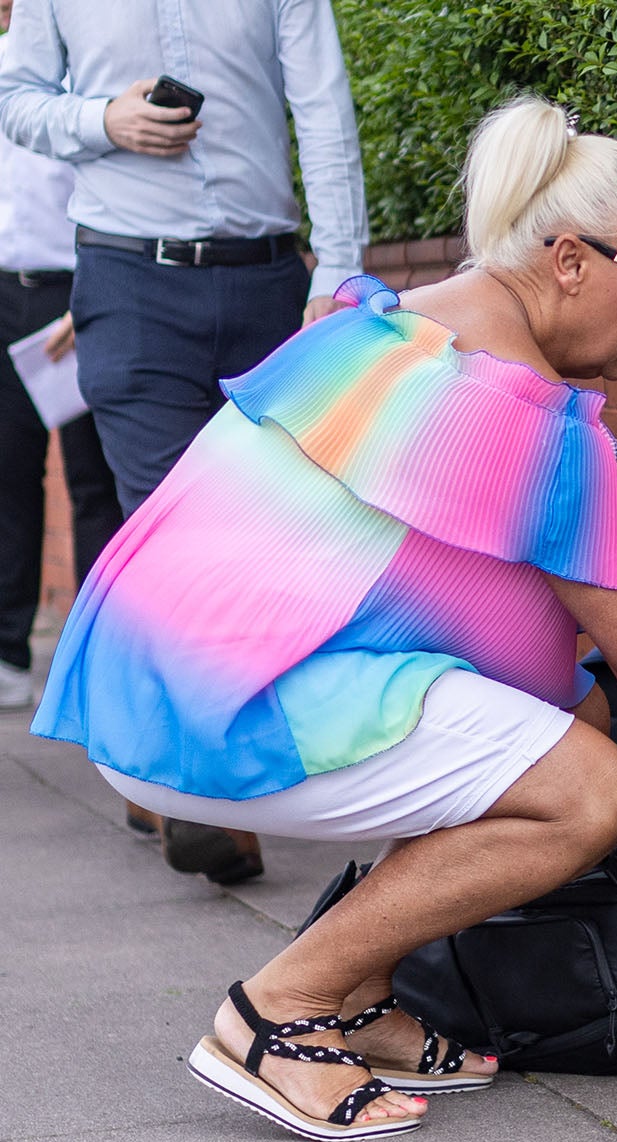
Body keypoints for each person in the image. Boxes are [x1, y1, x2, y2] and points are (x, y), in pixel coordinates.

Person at [31, 97, 617, 1141]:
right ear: (572, 260)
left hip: (144, 681)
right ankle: (282, 1009)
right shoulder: (523, 416)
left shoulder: (393, 329)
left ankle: (360, 997)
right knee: (585, 792)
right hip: (209, 713)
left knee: (565, 734)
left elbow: (548, 597)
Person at [0, 0, 372, 879]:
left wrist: (344, 265)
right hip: (128, 285)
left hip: (266, 283)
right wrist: (103, 120)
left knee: (266, 530)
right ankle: (202, 793)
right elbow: (15, 97)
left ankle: (153, 756)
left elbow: (322, 103)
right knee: (165, 526)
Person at [0, 0, 120, 713]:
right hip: (1, 291)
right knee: (7, 473)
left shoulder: (83, 62)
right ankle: (8, 654)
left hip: (78, 291)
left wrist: (95, 285)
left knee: (93, 479)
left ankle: (100, 663)